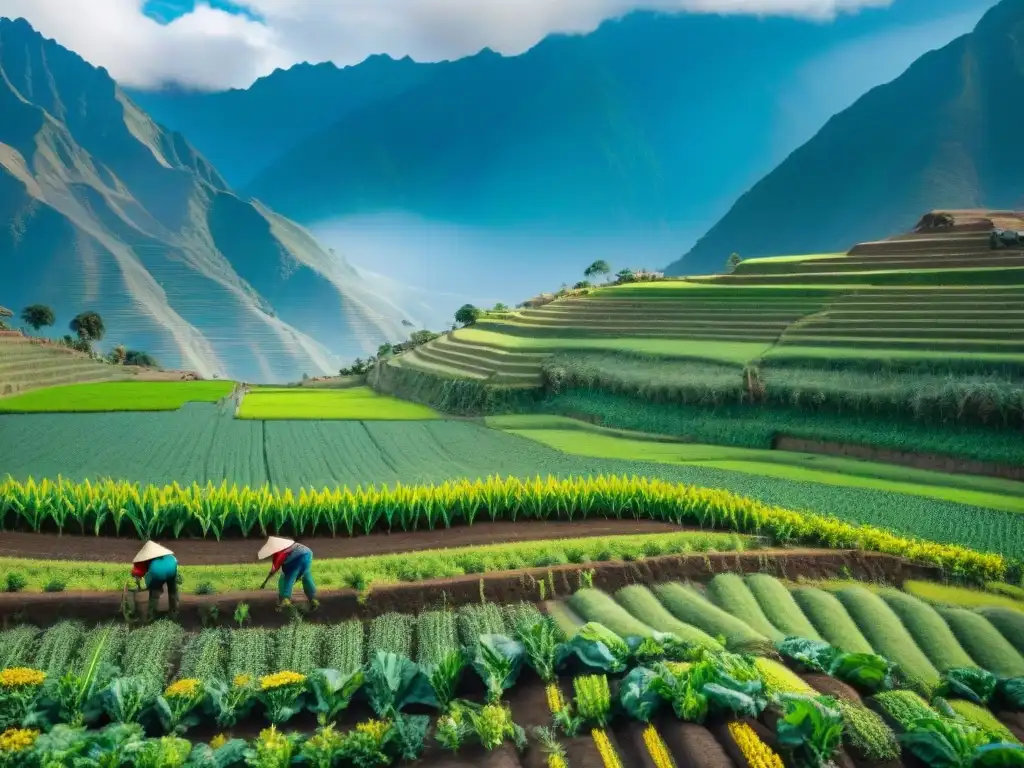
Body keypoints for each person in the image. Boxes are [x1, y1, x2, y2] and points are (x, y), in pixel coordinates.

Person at [258, 536, 319, 610]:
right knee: (306, 575)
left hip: (295, 559)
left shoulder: (278, 554)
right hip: (308, 554)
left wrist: (268, 578)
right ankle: (313, 599)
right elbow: (275, 567)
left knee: (289, 576)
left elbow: (274, 569)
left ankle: (286, 600)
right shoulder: (289, 545)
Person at [131, 541, 179, 619]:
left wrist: (143, 583)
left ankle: (151, 614)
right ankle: (174, 612)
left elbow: (139, 572)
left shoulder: (148, 561)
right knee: (172, 591)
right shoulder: (170, 557)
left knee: (154, 593)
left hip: (157, 571)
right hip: (172, 569)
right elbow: (175, 563)